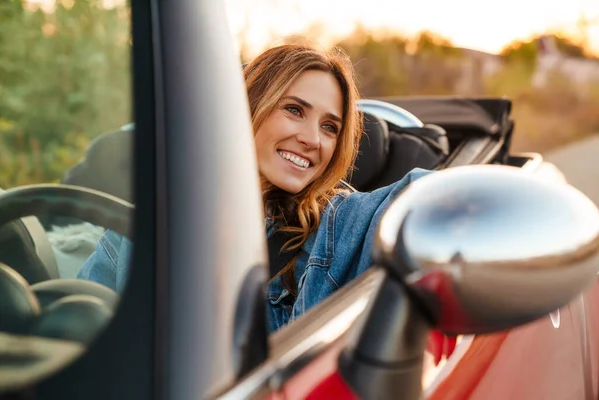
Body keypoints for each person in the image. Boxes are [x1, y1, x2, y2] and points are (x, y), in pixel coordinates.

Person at [77, 44, 431, 333]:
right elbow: (80, 331)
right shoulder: (140, 226)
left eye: (329, 127)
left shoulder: (339, 225)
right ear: (244, 108)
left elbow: (430, 198)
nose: (312, 139)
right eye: (294, 110)